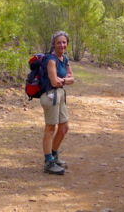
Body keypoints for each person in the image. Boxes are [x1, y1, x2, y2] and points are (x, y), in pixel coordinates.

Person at [40, 30, 74, 175]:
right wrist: (64, 80)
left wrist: (64, 80)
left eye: (64, 42)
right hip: (50, 96)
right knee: (50, 128)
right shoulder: (51, 60)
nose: (62, 45)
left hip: (60, 95)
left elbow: (72, 79)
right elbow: (54, 81)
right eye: (59, 42)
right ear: (53, 44)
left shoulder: (64, 59)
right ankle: (49, 162)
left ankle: (54, 156)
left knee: (64, 127)